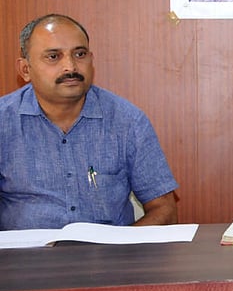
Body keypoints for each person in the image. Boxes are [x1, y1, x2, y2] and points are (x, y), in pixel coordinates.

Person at [0, 14, 178, 230]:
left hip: (109, 259)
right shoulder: (4, 122)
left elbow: (164, 209)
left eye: (80, 54)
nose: (70, 67)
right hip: (23, 260)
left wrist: (122, 248)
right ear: (25, 70)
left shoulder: (128, 121)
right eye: (54, 56)